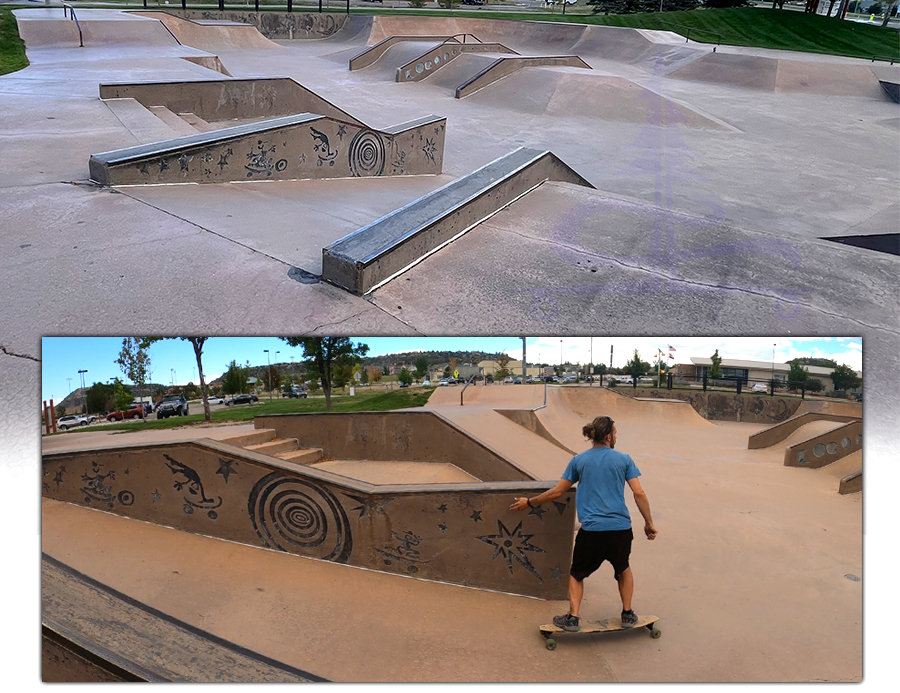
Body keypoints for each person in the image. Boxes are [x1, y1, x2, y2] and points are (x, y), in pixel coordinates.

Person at [510, 415, 657, 630]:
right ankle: (627, 614)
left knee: (577, 574)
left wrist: (530, 502)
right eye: (615, 433)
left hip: (592, 532)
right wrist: (649, 523)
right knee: (623, 568)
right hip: (620, 530)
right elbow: (639, 492)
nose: (616, 436)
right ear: (608, 436)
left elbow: (558, 492)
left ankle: (573, 617)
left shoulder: (579, 461)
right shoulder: (624, 459)